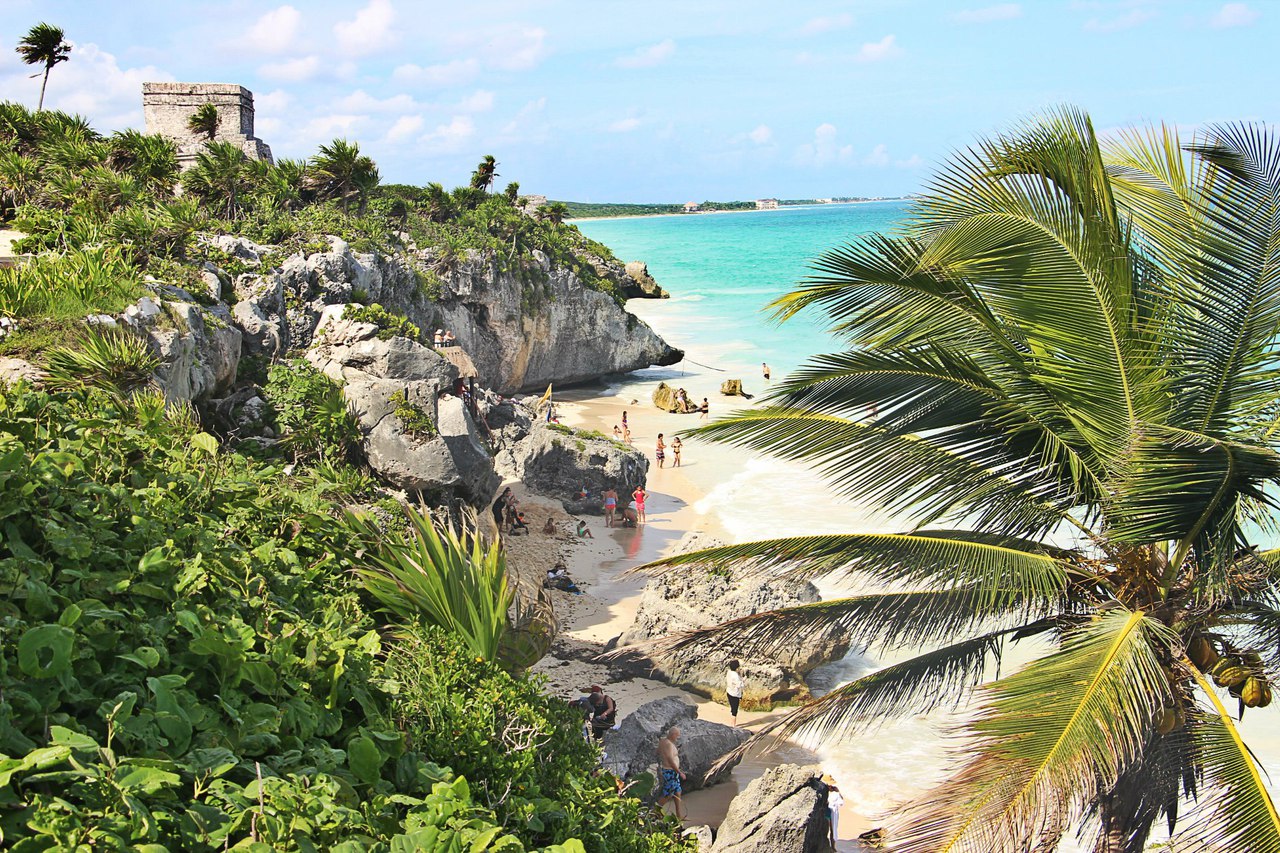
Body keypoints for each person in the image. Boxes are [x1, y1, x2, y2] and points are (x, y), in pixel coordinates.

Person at [656, 727, 687, 820]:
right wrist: (679, 772)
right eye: (676, 737)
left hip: (671, 771)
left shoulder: (662, 742)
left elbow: (657, 752)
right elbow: (670, 759)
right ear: (672, 734)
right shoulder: (668, 744)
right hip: (670, 771)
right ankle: (656, 811)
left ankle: (678, 815)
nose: (677, 739)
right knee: (668, 794)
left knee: (678, 791)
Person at [824, 775, 845, 848]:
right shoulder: (823, 789)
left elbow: (841, 801)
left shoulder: (835, 791)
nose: (829, 786)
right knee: (826, 828)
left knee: (833, 829)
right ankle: (828, 845)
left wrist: (838, 792)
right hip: (826, 810)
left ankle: (833, 846)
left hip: (833, 811)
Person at [725, 659, 744, 726]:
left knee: (732, 707)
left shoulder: (729, 672)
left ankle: (732, 723)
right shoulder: (736, 676)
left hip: (729, 692)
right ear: (736, 668)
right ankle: (733, 725)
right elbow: (740, 685)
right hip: (735, 694)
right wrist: (743, 678)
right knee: (735, 711)